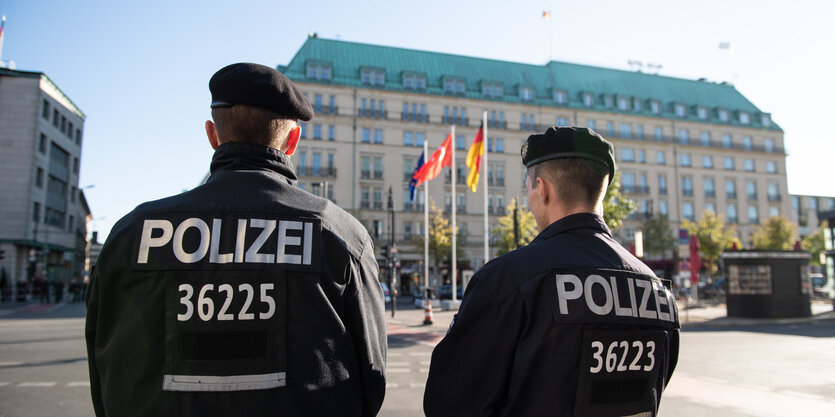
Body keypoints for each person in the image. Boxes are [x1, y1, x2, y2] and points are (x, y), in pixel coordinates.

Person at [86, 63, 386, 417]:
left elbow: (101, 366)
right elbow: (372, 376)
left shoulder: (131, 233)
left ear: (213, 135)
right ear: (292, 141)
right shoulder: (338, 234)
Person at [424, 127, 679, 416]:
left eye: (529, 189)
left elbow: (449, 400)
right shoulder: (657, 292)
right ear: (602, 191)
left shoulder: (505, 281)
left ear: (542, 189)